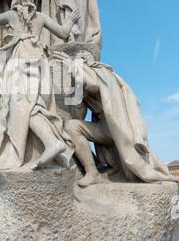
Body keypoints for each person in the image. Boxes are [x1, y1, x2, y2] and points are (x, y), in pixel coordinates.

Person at [0, 0, 80, 170]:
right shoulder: (40, 17)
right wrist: (71, 20)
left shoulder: (11, 15)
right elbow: (64, 33)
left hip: (21, 63)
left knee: (24, 107)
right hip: (38, 62)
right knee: (33, 106)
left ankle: (52, 143)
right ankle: (52, 143)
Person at [52, 50, 178, 186]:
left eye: (80, 61)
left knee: (141, 166)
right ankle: (92, 172)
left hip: (120, 126)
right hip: (105, 127)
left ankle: (158, 174)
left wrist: (73, 67)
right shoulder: (81, 84)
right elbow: (78, 112)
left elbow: (93, 84)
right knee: (71, 126)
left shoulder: (103, 72)